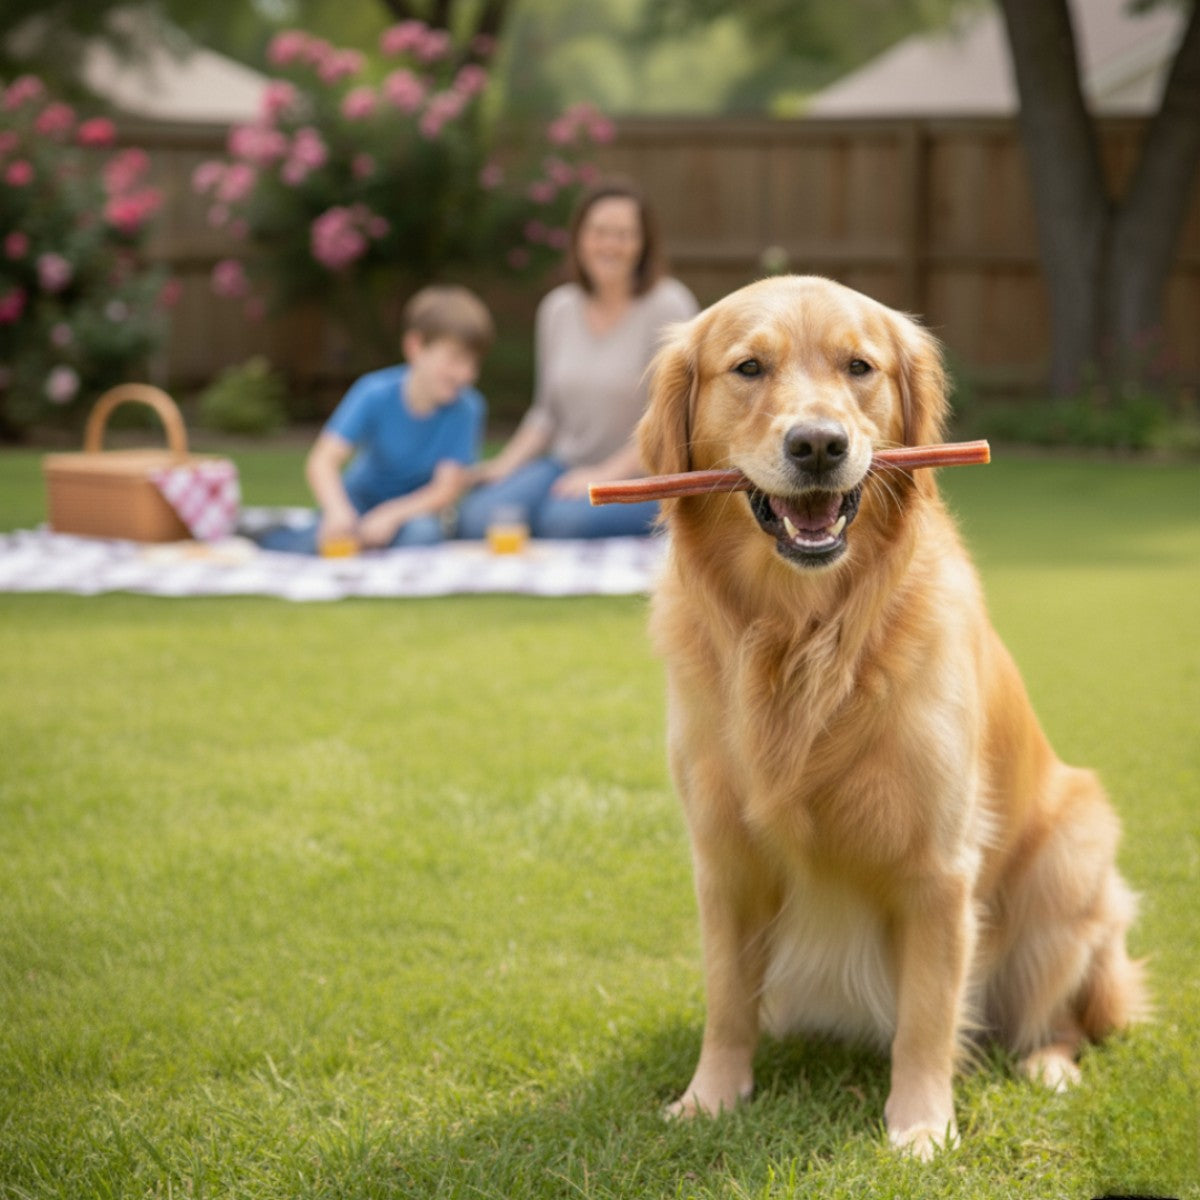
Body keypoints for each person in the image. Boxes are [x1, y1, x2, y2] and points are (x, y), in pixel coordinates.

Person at [456, 179, 699, 540]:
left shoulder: (670, 306)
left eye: (624, 234)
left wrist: (606, 474)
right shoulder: (558, 309)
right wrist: (504, 466)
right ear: (580, 239)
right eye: (599, 232)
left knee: (564, 523)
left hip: (644, 475)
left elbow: (675, 420)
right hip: (566, 464)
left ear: (643, 244)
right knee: (479, 517)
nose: (610, 245)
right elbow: (546, 414)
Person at [256, 285, 493, 554]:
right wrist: (337, 511)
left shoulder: (467, 408)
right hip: (358, 500)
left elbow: (445, 489)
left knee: (423, 535)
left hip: (412, 512)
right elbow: (323, 460)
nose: (466, 374)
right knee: (312, 543)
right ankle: (267, 535)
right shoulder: (374, 392)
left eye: (473, 364)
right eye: (455, 359)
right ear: (415, 347)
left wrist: (391, 515)